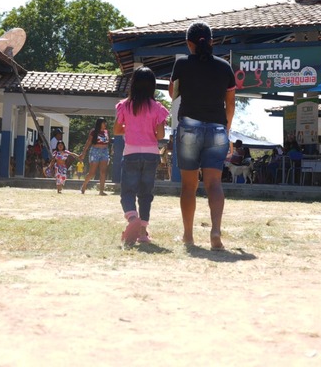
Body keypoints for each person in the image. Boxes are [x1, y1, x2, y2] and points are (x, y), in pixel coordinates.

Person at [168, 21, 235, 251]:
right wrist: (226, 131)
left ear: (189, 44)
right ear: (212, 42)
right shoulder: (224, 67)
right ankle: (215, 231)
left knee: (189, 186)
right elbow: (230, 103)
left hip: (189, 127)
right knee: (214, 183)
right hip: (217, 128)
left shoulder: (182, 64)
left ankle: (188, 236)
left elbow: (172, 95)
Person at [114, 66, 169, 246]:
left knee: (127, 192)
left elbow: (116, 129)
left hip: (130, 153)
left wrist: (129, 127)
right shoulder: (158, 108)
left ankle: (132, 219)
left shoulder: (125, 105)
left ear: (133, 84)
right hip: (151, 154)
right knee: (146, 194)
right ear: (152, 86)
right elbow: (160, 135)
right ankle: (143, 232)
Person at [80, 118, 111, 195]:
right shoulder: (94, 131)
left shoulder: (106, 132)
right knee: (92, 173)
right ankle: (84, 186)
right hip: (95, 151)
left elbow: (108, 142)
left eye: (105, 123)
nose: (105, 124)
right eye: (104, 123)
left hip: (104, 151)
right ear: (99, 123)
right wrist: (83, 153)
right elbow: (88, 142)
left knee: (103, 172)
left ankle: (101, 191)